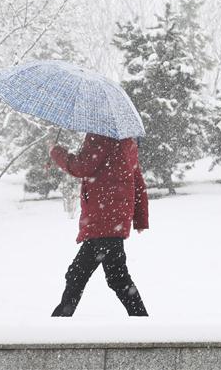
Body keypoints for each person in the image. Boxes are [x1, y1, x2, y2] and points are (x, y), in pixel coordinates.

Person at [49, 133, 149, 317]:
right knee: (80, 275)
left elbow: (81, 166)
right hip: (111, 221)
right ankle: (59, 323)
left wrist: (56, 152)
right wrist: (140, 218)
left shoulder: (99, 135)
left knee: (111, 278)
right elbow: (137, 179)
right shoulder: (127, 140)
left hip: (103, 220)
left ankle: (143, 324)